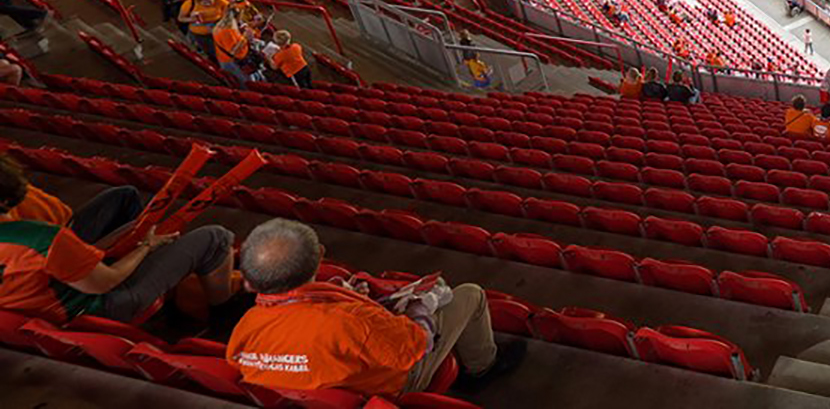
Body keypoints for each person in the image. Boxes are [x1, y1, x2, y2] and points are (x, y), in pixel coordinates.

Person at [227, 219, 523, 396]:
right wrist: (422, 305)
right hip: (383, 383)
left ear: (251, 282)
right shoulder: (351, 320)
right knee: (470, 294)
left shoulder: (247, 326)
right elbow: (416, 344)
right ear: (320, 257)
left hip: (311, 392)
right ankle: (483, 367)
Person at [0, 152, 236, 324]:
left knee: (124, 196)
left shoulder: (39, 239)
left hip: (37, 301)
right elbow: (107, 281)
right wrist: (146, 246)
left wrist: (123, 241)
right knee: (216, 237)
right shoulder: (42, 237)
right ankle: (221, 317)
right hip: (95, 308)